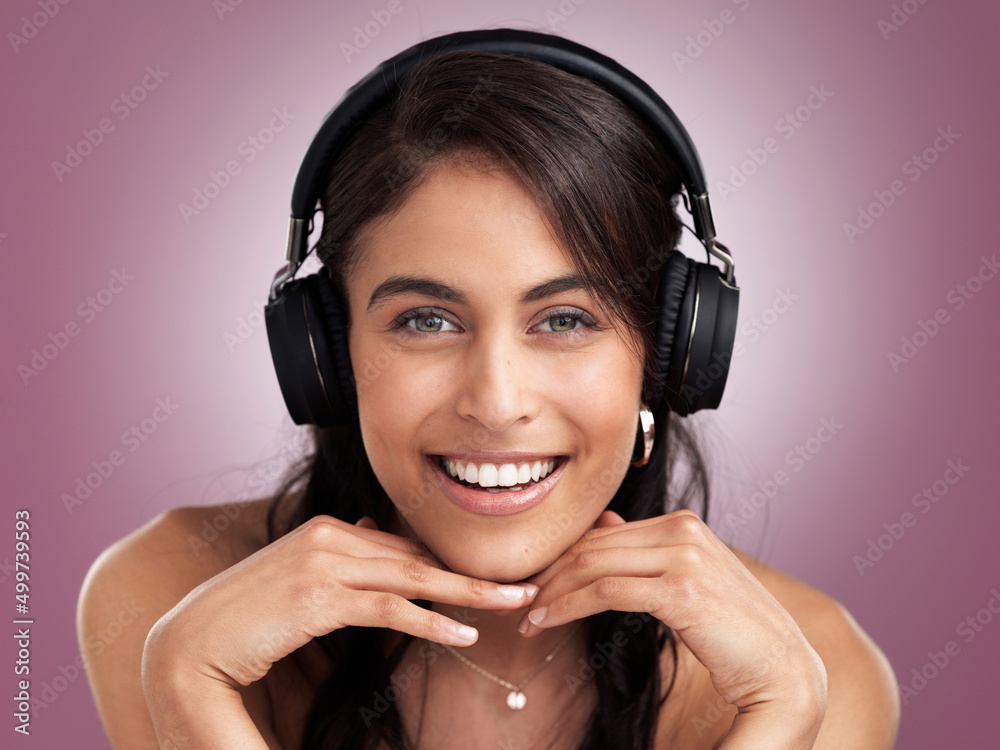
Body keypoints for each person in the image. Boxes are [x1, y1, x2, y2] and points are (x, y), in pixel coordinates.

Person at [77, 31, 900, 750]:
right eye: (427, 321)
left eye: (567, 319)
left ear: (670, 352)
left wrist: (784, 721)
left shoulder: (813, 670)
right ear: (325, 352)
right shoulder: (169, 602)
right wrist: (188, 689)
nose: (497, 402)